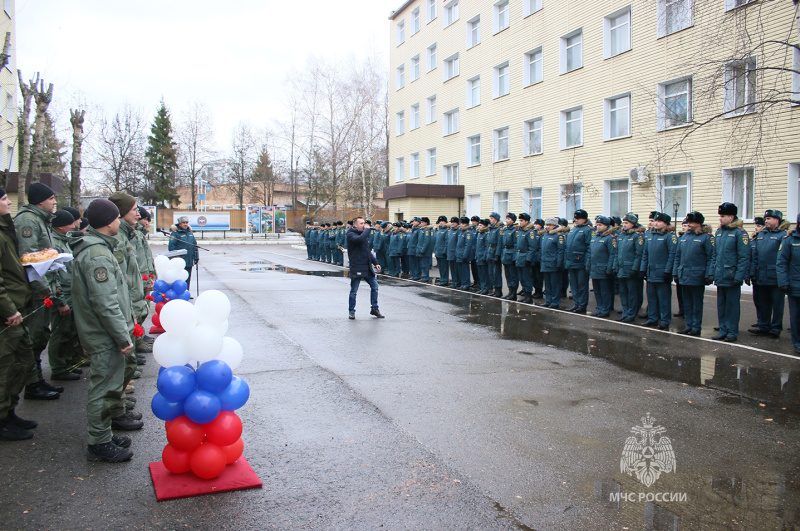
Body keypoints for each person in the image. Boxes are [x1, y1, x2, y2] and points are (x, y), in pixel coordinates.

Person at [70, 199, 137, 462]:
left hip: (104, 332)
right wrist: (122, 336)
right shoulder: (97, 255)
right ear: (110, 222)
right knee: (103, 387)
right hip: (104, 334)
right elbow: (105, 303)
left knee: (109, 385)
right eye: (117, 217)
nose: (119, 221)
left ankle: (104, 434)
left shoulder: (99, 248)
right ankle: (98, 442)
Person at [0, 186, 42, 440]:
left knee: (20, 363)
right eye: (3, 199)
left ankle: (8, 412)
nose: (8, 203)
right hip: (8, 314)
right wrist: (9, 309)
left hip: (17, 308)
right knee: (6, 366)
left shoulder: (5, 229)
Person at [15, 182, 64, 399]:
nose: (55, 202)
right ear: (39, 201)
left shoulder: (39, 219)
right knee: (33, 338)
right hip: (36, 291)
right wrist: (43, 288)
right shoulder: (28, 220)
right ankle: (32, 385)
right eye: (51, 198)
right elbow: (28, 259)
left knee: (41, 334)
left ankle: (37, 381)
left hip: (44, 288)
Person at [47, 210, 83, 381]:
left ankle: (67, 363)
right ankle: (58, 367)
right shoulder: (53, 243)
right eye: (70, 223)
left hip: (70, 292)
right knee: (60, 332)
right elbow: (53, 274)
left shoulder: (63, 240)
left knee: (68, 330)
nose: (75, 224)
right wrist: (60, 300)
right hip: (63, 294)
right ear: (60, 226)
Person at [712, 202, 750, 342]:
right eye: (720, 216)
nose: (720, 219)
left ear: (731, 216)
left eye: (723, 216)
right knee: (721, 305)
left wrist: (739, 276)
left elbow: (744, 257)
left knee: (732, 306)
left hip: (732, 275)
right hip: (721, 274)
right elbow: (715, 255)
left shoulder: (740, 233)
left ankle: (732, 332)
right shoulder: (720, 232)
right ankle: (723, 330)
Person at [673, 211, 715, 336]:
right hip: (684, 275)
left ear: (698, 223)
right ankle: (689, 325)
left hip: (698, 275)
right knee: (687, 303)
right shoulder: (685, 237)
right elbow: (677, 256)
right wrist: (676, 272)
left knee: (696, 303)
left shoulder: (705, 238)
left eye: (691, 222)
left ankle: (696, 327)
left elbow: (711, 257)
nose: (688, 224)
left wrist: (709, 274)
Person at [749, 209, 788, 338]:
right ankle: (763, 326)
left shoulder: (783, 235)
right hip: (761, 274)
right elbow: (755, 256)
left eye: (769, 219)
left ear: (777, 220)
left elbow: (784, 258)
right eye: (766, 219)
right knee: (763, 302)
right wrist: (753, 272)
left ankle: (776, 327)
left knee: (777, 304)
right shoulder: (762, 235)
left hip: (776, 275)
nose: (766, 221)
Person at [641, 212, 678, 330]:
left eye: (659, 221)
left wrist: (668, 271)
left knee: (664, 298)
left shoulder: (669, 236)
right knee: (651, 297)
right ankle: (652, 318)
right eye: (655, 221)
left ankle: (665, 320)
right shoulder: (651, 235)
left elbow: (672, 255)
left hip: (662, 273)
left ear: (665, 224)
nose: (656, 223)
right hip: (651, 271)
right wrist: (643, 269)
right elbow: (645, 254)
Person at [346, 217, 384, 319]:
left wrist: (375, 262)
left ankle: (374, 308)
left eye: (364, 223)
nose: (364, 225)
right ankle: (351, 311)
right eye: (361, 223)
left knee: (375, 287)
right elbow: (359, 239)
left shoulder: (363, 234)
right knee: (354, 291)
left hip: (366, 266)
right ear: (355, 225)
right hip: (357, 266)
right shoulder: (351, 234)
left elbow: (367, 251)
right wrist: (367, 229)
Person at [615, 213, 645, 323]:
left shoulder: (637, 236)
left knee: (632, 293)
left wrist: (635, 269)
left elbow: (639, 254)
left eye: (627, 223)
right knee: (623, 292)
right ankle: (625, 312)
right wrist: (615, 266)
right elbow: (617, 253)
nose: (624, 225)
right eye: (624, 223)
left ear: (633, 224)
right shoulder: (622, 235)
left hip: (630, 269)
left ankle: (631, 313)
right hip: (621, 268)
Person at [777, 215, 800, 357]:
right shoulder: (790, 240)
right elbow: (781, 263)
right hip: (795, 285)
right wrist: (784, 282)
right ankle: (797, 343)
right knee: (796, 316)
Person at [587, 216, 618, 317]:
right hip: (595, 268)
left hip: (603, 269)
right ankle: (600, 308)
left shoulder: (610, 238)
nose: (598, 227)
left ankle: (605, 309)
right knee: (597, 291)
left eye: (600, 225)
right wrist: (588, 265)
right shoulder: (595, 237)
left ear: (606, 226)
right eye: (597, 225)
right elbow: (590, 252)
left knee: (605, 291)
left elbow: (612, 254)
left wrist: (610, 268)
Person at [564, 209, 592, 313]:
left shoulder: (587, 230)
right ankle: (576, 304)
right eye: (575, 218)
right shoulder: (573, 229)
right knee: (574, 285)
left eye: (578, 218)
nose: (576, 220)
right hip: (571, 261)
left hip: (581, 262)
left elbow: (589, 248)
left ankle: (582, 305)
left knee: (582, 286)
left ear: (584, 219)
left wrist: (587, 263)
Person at [538, 217, 566, 309]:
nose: (548, 227)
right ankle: (548, 300)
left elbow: (561, 251)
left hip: (553, 263)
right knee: (548, 284)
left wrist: (559, 263)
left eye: (549, 225)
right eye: (547, 225)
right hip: (545, 263)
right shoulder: (545, 235)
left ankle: (555, 301)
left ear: (555, 225)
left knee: (555, 284)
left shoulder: (559, 236)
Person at [168, 216, 199, 285]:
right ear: (180, 224)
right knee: (180, 281)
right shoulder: (175, 233)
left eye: (186, 223)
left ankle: (187, 293)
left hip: (189, 261)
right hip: (180, 262)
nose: (185, 224)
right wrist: (175, 259)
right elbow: (171, 247)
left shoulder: (190, 233)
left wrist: (196, 257)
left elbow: (195, 245)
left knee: (187, 280)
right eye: (183, 223)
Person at [514, 213, 534, 303]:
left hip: (525, 257)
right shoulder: (520, 231)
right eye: (520, 220)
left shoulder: (530, 232)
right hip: (519, 257)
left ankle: (529, 296)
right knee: (521, 278)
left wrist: (528, 259)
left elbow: (532, 247)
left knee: (526, 278)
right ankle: (525, 294)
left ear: (526, 221)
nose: (520, 222)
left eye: (522, 221)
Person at [486, 212, 504, 297]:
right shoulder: (491, 229)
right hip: (490, 251)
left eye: (491, 218)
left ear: (496, 219)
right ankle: (494, 289)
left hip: (495, 251)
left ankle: (498, 290)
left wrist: (497, 254)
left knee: (496, 272)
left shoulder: (498, 229)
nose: (490, 220)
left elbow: (499, 243)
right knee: (491, 272)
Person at [475, 219, 491, 294]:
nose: (479, 226)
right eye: (479, 225)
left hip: (483, 257)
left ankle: (486, 288)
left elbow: (486, 247)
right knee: (480, 274)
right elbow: (477, 247)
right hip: (478, 256)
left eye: (480, 225)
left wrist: (485, 257)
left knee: (485, 274)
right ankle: (482, 287)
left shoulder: (486, 234)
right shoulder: (479, 234)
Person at [434, 216, 450, 286]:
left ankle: (444, 280)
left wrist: (445, 251)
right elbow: (436, 242)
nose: (441, 223)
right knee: (440, 267)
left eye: (443, 221)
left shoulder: (447, 231)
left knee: (444, 268)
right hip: (438, 251)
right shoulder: (438, 231)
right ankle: (442, 279)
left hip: (443, 252)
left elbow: (447, 242)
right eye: (440, 221)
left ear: (446, 222)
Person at [417, 217, 434, 282]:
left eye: (423, 222)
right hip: (421, 250)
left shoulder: (427, 231)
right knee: (422, 265)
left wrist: (423, 250)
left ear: (426, 223)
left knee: (425, 265)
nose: (421, 223)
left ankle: (426, 277)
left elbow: (426, 241)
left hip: (424, 251)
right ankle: (424, 276)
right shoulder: (422, 230)